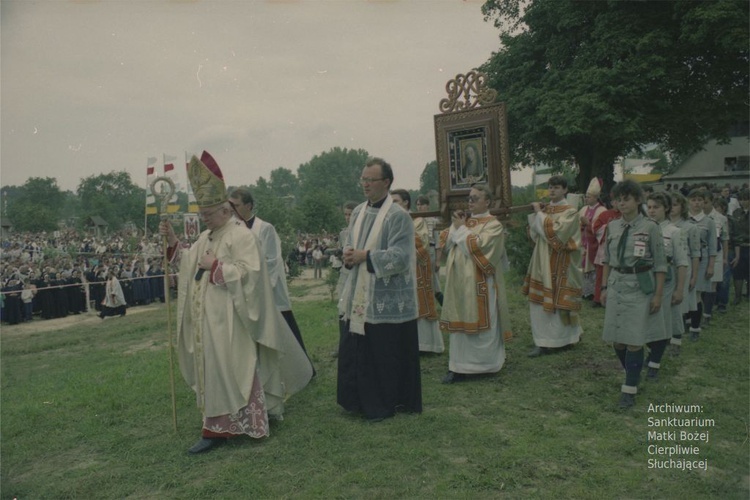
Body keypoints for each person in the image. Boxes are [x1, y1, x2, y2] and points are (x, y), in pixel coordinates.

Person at [161, 151, 312, 454]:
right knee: (217, 371)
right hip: (210, 322)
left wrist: (216, 268)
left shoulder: (241, 236)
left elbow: (252, 274)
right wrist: (174, 242)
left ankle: (224, 429)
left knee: (234, 369)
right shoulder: (209, 235)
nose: (204, 218)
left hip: (233, 320)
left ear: (225, 210)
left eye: (208, 213)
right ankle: (219, 425)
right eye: (202, 213)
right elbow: (190, 261)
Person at [337, 157, 422, 421]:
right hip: (359, 292)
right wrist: (348, 255)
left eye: (370, 180)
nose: (365, 184)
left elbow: (401, 256)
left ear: (386, 182)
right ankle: (357, 401)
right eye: (363, 179)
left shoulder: (398, 216)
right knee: (358, 349)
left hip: (384, 296)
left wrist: (366, 256)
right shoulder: (360, 211)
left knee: (381, 354)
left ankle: (383, 404)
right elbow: (350, 243)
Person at [228, 187, 314, 373]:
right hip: (244, 287)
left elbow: (272, 261)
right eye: (230, 205)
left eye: (236, 205)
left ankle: (303, 368)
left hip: (268, 288)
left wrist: (259, 285)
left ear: (249, 205)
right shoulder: (232, 229)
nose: (232, 209)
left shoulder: (265, 228)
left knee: (284, 328)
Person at [602, 180, 666, 409]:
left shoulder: (650, 227)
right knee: (617, 340)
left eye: (626, 198)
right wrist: (604, 288)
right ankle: (634, 372)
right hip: (617, 284)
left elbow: (660, 265)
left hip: (639, 287)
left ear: (638, 200)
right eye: (618, 199)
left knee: (634, 341)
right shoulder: (612, 226)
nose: (621, 203)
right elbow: (607, 260)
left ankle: (629, 390)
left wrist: (658, 295)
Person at [439, 183, 512, 383]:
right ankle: (458, 366)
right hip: (459, 283)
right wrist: (456, 227)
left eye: (475, 198)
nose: (470, 202)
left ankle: (485, 365)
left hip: (481, 284)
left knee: (483, 321)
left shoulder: (493, 225)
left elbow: (481, 248)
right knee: (459, 320)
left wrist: (460, 230)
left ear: (487, 201)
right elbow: (445, 242)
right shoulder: (466, 222)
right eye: (469, 198)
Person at [523, 175, 583, 357]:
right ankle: (543, 341)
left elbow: (556, 236)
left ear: (565, 190)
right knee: (540, 303)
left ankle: (566, 339)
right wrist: (536, 215)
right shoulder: (546, 209)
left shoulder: (570, 212)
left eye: (556, 187)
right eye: (550, 187)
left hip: (562, 262)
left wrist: (539, 214)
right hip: (542, 261)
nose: (552, 190)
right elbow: (535, 235)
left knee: (560, 302)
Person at [391, 189, 443, 354]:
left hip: (416, 268)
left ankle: (425, 345)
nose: (392, 205)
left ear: (406, 202)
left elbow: (423, 244)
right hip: (400, 268)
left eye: (396, 201)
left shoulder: (417, 220)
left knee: (419, 303)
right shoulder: (392, 220)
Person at [645, 192, 687, 380]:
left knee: (662, 322)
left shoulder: (674, 231)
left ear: (666, 209)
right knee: (646, 321)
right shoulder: (644, 228)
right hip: (646, 281)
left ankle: (654, 363)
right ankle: (650, 351)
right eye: (650, 207)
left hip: (667, 283)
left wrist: (679, 289)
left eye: (657, 207)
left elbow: (681, 262)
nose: (652, 211)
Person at [667, 191, 700, 357]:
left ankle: (676, 340)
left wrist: (694, 275)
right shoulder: (661, 225)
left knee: (678, 306)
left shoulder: (690, 227)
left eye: (675, 204)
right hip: (666, 269)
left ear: (682, 207)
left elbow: (695, 253)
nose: (672, 208)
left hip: (683, 268)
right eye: (670, 204)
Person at [686, 189, 717, 341]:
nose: (697, 203)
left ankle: (695, 328)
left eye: (700, 200)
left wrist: (711, 266)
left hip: (702, 259)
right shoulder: (684, 220)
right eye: (693, 200)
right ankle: (686, 321)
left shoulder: (709, 222)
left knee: (697, 293)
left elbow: (712, 246)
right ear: (688, 202)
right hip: (686, 258)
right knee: (685, 291)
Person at [579, 178, 606, 301]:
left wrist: (588, 223)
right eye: (586, 196)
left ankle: (593, 293)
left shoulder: (602, 211)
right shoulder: (583, 209)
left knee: (592, 269)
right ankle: (584, 291)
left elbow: (600, 229)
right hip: (582, 243)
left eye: (589, 196)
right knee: (582, 268)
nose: (586, 199)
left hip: (593, 245)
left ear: (596, 197)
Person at [703, 191, 729, 321]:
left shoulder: (720, 218)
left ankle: (707, 313)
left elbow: (725, 238)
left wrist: (724, 257)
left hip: (717, 253)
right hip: (701, 254)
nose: (703, 204)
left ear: (712, 202)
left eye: (706, 202)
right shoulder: (694, 217)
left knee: (712, 284)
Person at [415, 195, 443, 305]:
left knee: (433, 277)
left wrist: (437, 260)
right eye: (418, 205)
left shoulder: (434, 221)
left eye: (422, 204)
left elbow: (438, 242)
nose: (419, 207)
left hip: (430, 250)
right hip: (417, 251)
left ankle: (441, 301)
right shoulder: (415, 220)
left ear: (427, 206)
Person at [730, 189, 750, 305]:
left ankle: (748, 293)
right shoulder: (736, 213)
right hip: (739, 246)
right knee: (738, 272)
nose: (743, 202)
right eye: (741, 199)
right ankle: (737, 296)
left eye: (746, 199)